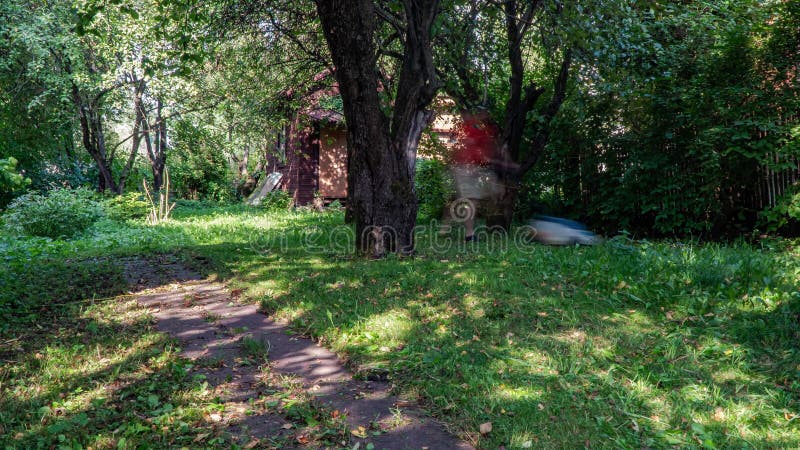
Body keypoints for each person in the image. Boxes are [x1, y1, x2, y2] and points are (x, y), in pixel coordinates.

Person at [447, 109, 501, 242]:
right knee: (471, 202)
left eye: (486, 113)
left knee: (480, 198)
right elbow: (463, 148)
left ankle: (451, 225)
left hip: (475, 169)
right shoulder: (467, 128)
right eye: (482, 113)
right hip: (465, 169)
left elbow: (486, 148)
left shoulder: (483, 129)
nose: (485, 115)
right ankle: (469, 234)